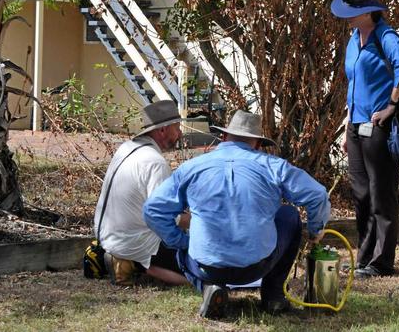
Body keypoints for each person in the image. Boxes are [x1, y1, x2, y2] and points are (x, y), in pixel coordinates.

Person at [143, 110, 331, 318]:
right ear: (258, 144)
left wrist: (180, 241)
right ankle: (274, 297)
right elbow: (318, 195)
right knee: (290, 215)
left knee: (181, 247)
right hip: (257, 266)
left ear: (223, 137)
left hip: (205, 266)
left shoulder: (191, 168)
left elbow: (153, 210)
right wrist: (315, 232)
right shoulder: (273, 166)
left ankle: (210, 287)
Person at [331, 0, 399, 278]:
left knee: (381, 195)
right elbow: (353, 85)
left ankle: (381, 262)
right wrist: (346, 126)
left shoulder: (385, 36)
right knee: (361, 195)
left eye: (352, 13)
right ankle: (364, 258)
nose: (347, 19)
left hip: (379, 126)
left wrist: (391, 104)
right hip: (355, 126)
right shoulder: (354, 39)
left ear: (368, 12)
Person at [94, 100, 189, 286]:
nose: (180, 134)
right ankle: (135, 263)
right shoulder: (155, 162)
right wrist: (196, 220)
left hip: (107, 236)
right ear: (162, 130)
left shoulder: (127, 148)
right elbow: (165, 217)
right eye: (176, 127)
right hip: (133, 241)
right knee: (197, 267)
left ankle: (125, 261)